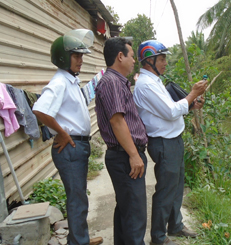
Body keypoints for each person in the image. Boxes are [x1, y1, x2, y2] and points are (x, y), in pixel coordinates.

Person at [133, 40, 207, 245]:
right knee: (166, 191)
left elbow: (169, 109)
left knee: (176, 186)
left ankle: (175, 225)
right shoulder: (146, 85)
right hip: (164, 143)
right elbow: (171, 111)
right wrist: (192, 93)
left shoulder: (155, 80)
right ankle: (158, 236)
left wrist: (191, 105)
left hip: (173, 140)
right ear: (149, 60)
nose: (166, 62)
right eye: (162, 58)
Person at [33, 29, 102, 245]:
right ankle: (78, 242)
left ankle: (80, 237)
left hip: (77, 147)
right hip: (70, 147)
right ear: (64, 58)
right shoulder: (60, 82)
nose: (80, 60)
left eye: (81, 56)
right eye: (76, 56)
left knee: (79, 197)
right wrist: (62, 133)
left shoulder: (70, 80)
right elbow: (40, 109)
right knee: (77, 199)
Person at [94, 37, 148, 245]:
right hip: (125, 155)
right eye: (132, 56)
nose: (134, 61)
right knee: (134, 214)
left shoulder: (117, 82)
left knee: (127, 210)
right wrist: (134, 155)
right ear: (120, 56)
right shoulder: (112, 83)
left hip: (124, 154)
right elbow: (117, 122)